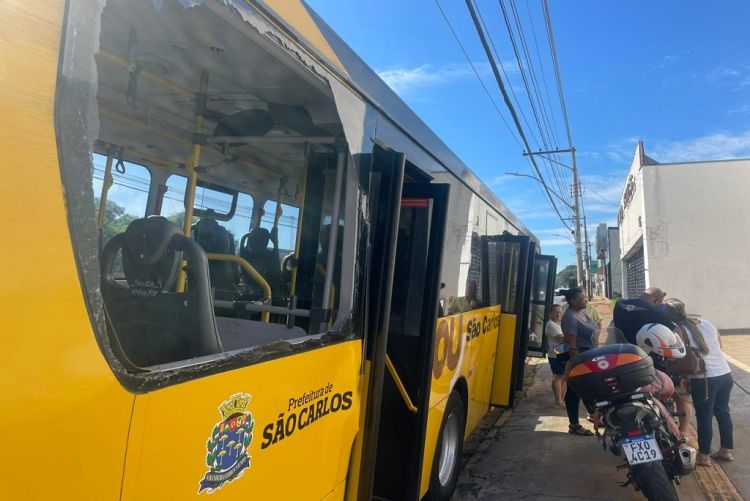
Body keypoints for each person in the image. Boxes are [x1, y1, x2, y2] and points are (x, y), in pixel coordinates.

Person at [663, 299, 734, 466]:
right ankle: (725, 451)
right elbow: (719, 346)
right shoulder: (707, 323)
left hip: (704, 380)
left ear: (668, 316)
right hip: (725, 374)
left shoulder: (678, 331)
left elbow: (673, 357)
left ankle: (704, 456)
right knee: (723, 412)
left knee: (704, 417)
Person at [560, 287, 599, 436]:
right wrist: (577, 366)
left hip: (590, 356)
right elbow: (571, 345)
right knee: (574, 391)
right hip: (578, 359)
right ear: (572, 301)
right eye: (582, 299)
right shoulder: (570, 317)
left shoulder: (582, 312)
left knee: (586, 389)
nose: (585, 300)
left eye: (585, 297)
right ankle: (574, 425)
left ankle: (593, 415)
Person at [545, 304, 566, 406]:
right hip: (555, 355)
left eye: (560, 312)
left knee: (564, 377)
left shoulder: (560, 323)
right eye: (556, 312)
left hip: (563, 353)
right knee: (558, 377)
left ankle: (562, 399)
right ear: (551, 314)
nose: (558, 314)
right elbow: (560, 338)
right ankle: (558, 400)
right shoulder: (550, 325)